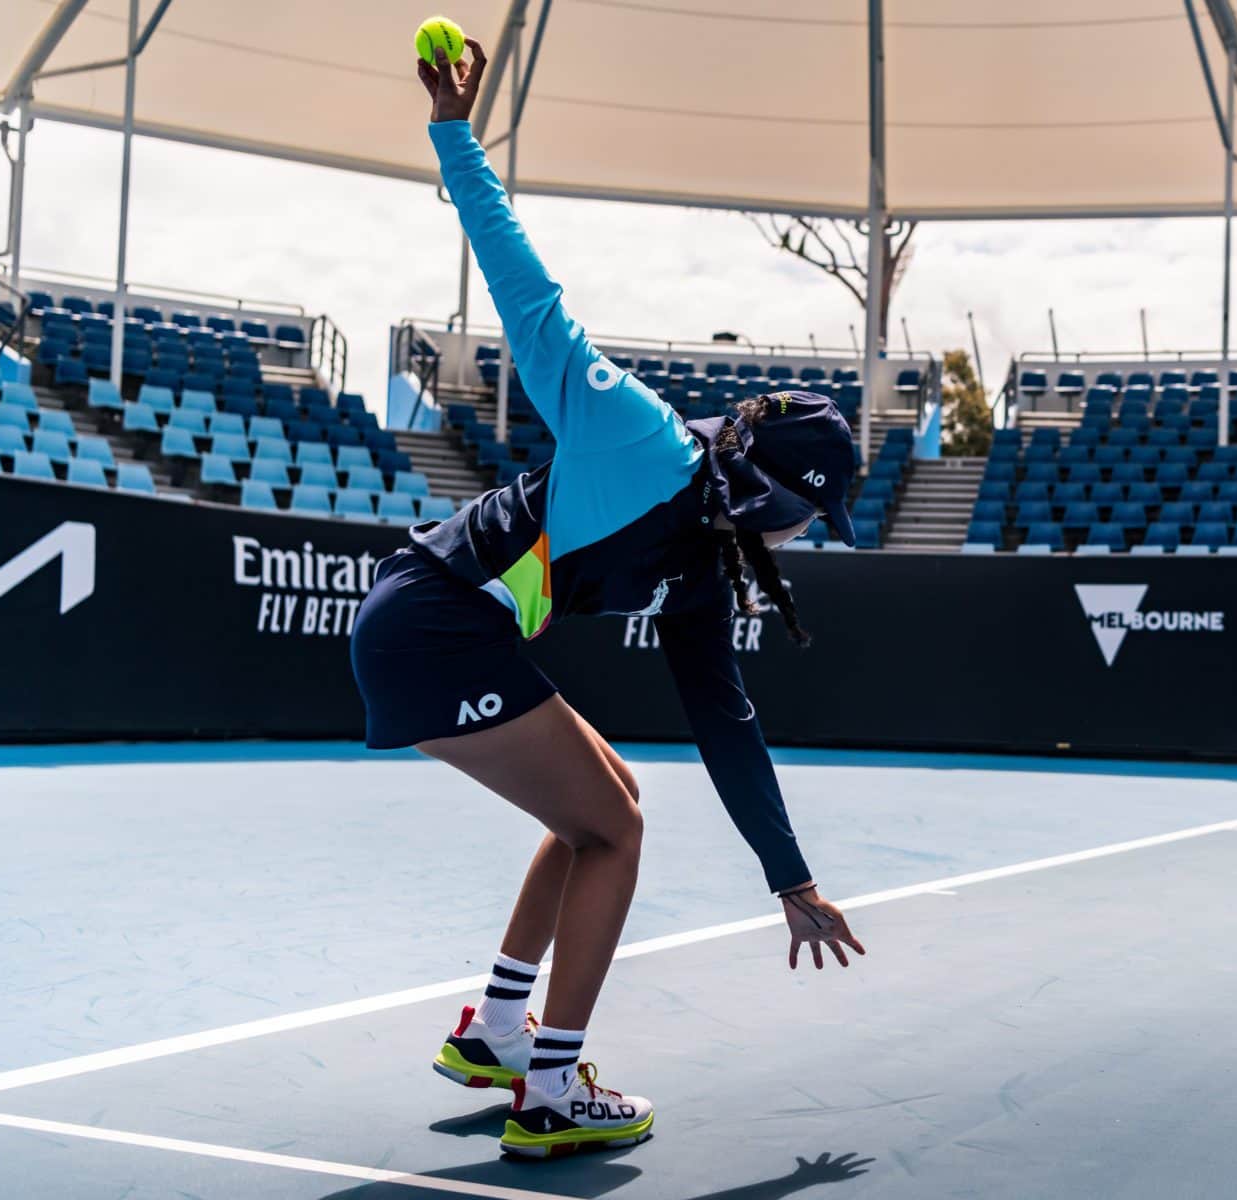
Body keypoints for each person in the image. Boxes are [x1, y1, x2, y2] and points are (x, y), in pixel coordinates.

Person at [349, 39, 866, 1159]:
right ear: (776, 489)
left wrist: (791, 877)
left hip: (441, 628)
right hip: (433, 619)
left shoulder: (704, 559)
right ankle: (550, 1090)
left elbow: (722, 717)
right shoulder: (640, 436)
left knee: (603, 801)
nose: (797, 541)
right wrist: (453, 133)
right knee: (616, 829)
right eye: (806, 519)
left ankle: (493, 1032)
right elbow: (528, 293)